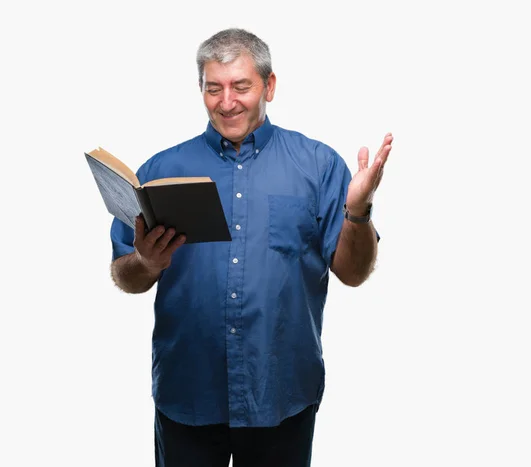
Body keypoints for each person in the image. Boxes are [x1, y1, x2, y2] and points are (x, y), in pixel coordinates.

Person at [109, 28, 393, 467]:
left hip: (281, 393)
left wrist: (358, 211)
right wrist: (146, 262)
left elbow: (353, 274)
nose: (227, 102)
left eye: (241, 86)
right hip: (188, 394)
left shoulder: (318, 166)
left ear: (270, 86)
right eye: (213, 88)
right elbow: (124, 277)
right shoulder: (161, 171)